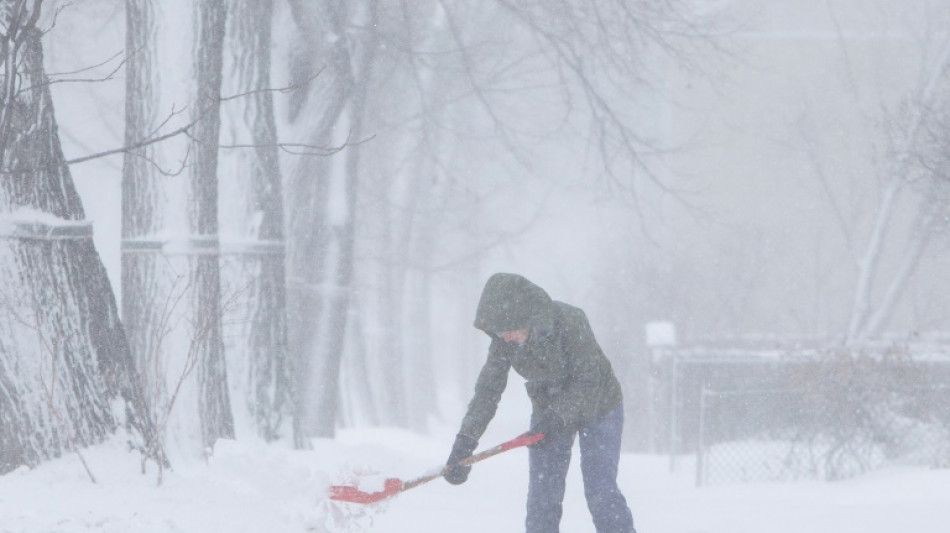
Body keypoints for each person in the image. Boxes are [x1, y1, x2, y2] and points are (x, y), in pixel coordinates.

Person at [444, 273, 637, 533]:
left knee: (600, 490)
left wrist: (558, 417)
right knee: (543, 498)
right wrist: (465, 441)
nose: (505, 337)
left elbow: (587, 380)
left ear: (525, 316)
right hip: (548, 412)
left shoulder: (570, 321)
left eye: (508, 328)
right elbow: (487, 391)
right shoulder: (504, 344)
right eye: (499, 331)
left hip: (599, 407)